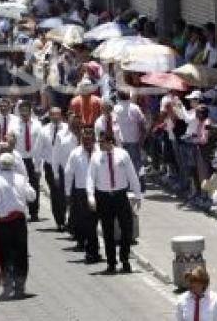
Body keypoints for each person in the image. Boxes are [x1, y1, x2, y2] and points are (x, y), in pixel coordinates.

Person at [86, 128, 142, 274]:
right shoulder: (96, 157)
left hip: (120, 195)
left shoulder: (123, 154)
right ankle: (111, 262)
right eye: (99, 142)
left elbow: (132, 174)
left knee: (127, 228)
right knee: (107, 230)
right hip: (104, 196)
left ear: (110, 141)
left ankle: (124, 258)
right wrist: (91, 196)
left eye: (102, 142)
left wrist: (137, 194)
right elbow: (90, 177)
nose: (100, 144)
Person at [0, 153, 36, 299]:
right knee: (21, 253)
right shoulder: (21, 178)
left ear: (0, 166)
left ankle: (8, 285)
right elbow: (32, 196)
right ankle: (20, 286)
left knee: (5, 254)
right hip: (19, 222)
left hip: (3, 224)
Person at [64, 127, 101, 264]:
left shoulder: (100, 151)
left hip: (100, 191)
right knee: (89, 224)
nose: (87, 139)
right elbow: (68, 174)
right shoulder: (75, 153)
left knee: (102, 222)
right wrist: (68, 193)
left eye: (90, 136)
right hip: (82, 192)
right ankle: (92, 252)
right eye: (84, 136)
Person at [38, 107, 75, 231]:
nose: (55, 117)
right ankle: (59, 220)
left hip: (66, 166)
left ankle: (69, 220)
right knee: (56, 194)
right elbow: (38, 150)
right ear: (49, 116)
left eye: (57, 115)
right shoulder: (43, 131)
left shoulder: (67, 129)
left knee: (67, 193)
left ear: (61, 116)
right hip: (50, 166)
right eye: (53, 115)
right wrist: (37, 167)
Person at [9, 100, 41, 221]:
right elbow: (10, 140)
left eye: (26, 110)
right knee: (18, 185)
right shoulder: (13, 124)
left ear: (30, 110)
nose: (24, 112)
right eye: (21, 110)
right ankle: (19, 210)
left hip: (33, 159)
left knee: (34, 185)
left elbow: (40, 146)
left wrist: (39, 165)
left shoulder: (37, 124)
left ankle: (34, 212)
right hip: (18, 159)